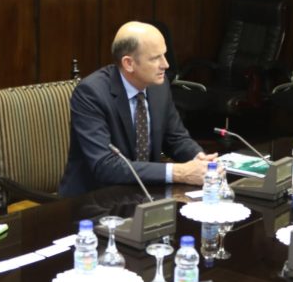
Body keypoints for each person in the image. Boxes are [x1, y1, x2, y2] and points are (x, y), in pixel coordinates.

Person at [59, 21, 216, 197]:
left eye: (164, 55)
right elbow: (105, 165)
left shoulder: (159, 86)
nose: (165, 64)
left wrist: (200, 160)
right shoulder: (91, 93)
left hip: (144, 194)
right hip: (94, 199)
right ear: (129, 63)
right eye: (155, 58)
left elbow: (176, 138)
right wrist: (179, 172)